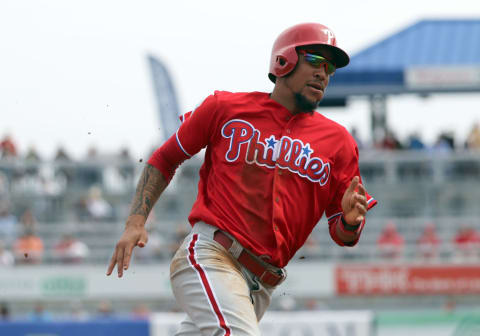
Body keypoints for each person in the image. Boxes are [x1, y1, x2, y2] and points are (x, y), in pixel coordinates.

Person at [107, 23, 377, 335]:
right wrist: (135, 222)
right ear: (283, 61)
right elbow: (165, 158)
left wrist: (350, 221)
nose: (324, 74)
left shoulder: (339, 142)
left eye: (330, 67)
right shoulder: (226, 108)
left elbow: (343, 235)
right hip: (213, 255)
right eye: (316, 60)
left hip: (260, 287)